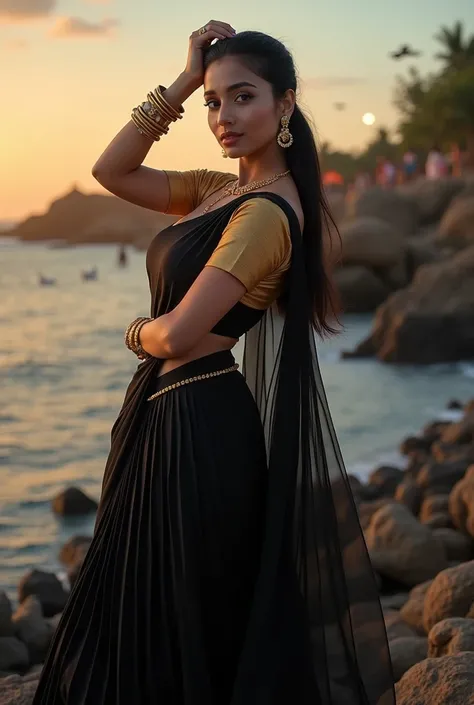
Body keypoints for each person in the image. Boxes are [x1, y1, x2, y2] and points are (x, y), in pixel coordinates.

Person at [32, 23, 395, 705]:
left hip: (198, 426)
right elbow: (111, 171)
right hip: (168, 415)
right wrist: (180, 80)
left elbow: (178, 334)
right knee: (147, 606)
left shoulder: (264, 215)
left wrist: (134, 330)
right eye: (213, 101)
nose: (223, 117)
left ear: (285, 105)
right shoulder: (218, 191)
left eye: (243, 97)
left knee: (176, 616)